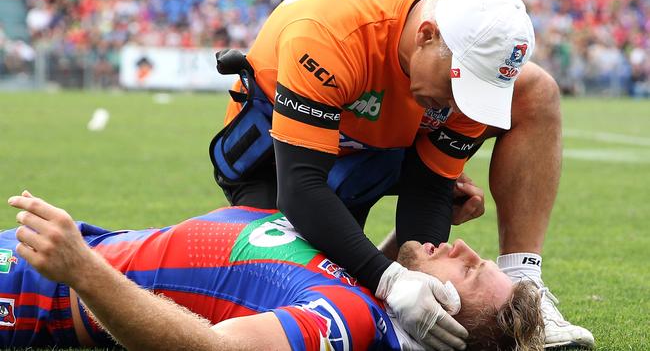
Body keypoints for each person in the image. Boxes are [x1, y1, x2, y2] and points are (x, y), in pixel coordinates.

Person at [207, 0, 594, 348]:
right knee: (273, 283)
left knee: (537, 89)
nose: (460, 106)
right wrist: (390, 279)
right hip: (276, 162)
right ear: (427, 35)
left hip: (369, 150)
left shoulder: (468, 66)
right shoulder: (329, 32)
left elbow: (428, 189)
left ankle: (523, 280)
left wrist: (427, 287)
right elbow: (300, 186)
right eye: (460, 86)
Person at [2, 191, 544, 350]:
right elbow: (327, 277)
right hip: (81, 249)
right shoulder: (372, 295)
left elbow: (213, 350)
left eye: (470, 271)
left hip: (36, 291)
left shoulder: (343, 322)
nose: (466, 247)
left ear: (443, 326)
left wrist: (82, 271)